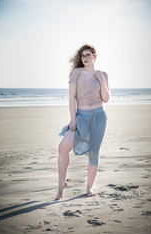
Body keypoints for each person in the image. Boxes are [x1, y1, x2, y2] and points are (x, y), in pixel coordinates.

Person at [55, 44, 110, 200]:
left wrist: (101, 80)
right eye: (83, 56)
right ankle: (61, 184)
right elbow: (71, 98)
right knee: (63, 147)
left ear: (95, 57)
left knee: (93, 153)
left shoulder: (103, 75)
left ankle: (89, 187)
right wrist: (73, 119)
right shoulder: (77, 73)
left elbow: (105, 99)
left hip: (98, 117)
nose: (85, 58)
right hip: (81, 117)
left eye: (88, 55)